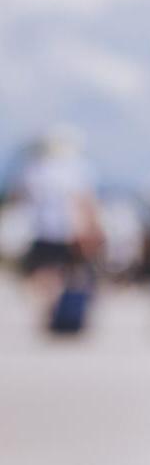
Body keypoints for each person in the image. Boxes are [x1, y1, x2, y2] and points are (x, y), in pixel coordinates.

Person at [7, 125, 102, 322]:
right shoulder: (75, 170)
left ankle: (51, 308)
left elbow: (17, 197)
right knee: (63, 272)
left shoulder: (33, 170)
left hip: (40, 231)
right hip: (66, 231)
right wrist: (91, 229)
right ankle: (57, 309)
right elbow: (85, 202)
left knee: (42, 272)